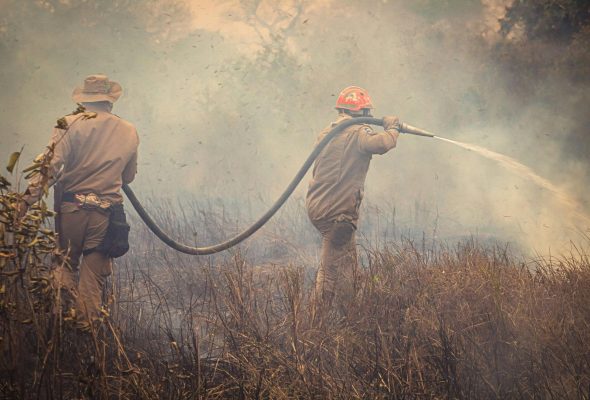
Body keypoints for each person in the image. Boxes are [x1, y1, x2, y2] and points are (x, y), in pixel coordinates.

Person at [19, 74, 139, 329]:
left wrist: (25, 203)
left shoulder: (67, 123)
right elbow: (128, 176)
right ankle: (87, 338)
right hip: (105, 214)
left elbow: (49, 168)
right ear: (110, 101)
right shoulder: (129, 130)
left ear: (84, 100)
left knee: (63, 265)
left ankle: (59, 330)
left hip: (72, 209)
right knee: (92, 280)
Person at [306, 86, 400, 309]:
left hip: (320, 208)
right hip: (337, 214)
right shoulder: (358, 133)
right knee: (329, 273)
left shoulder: (327, 132)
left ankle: (351, 314)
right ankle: (313, 324)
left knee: (347, 263)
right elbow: (382, 143)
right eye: (368, 111)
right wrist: (393, 127)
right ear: (364, 113)